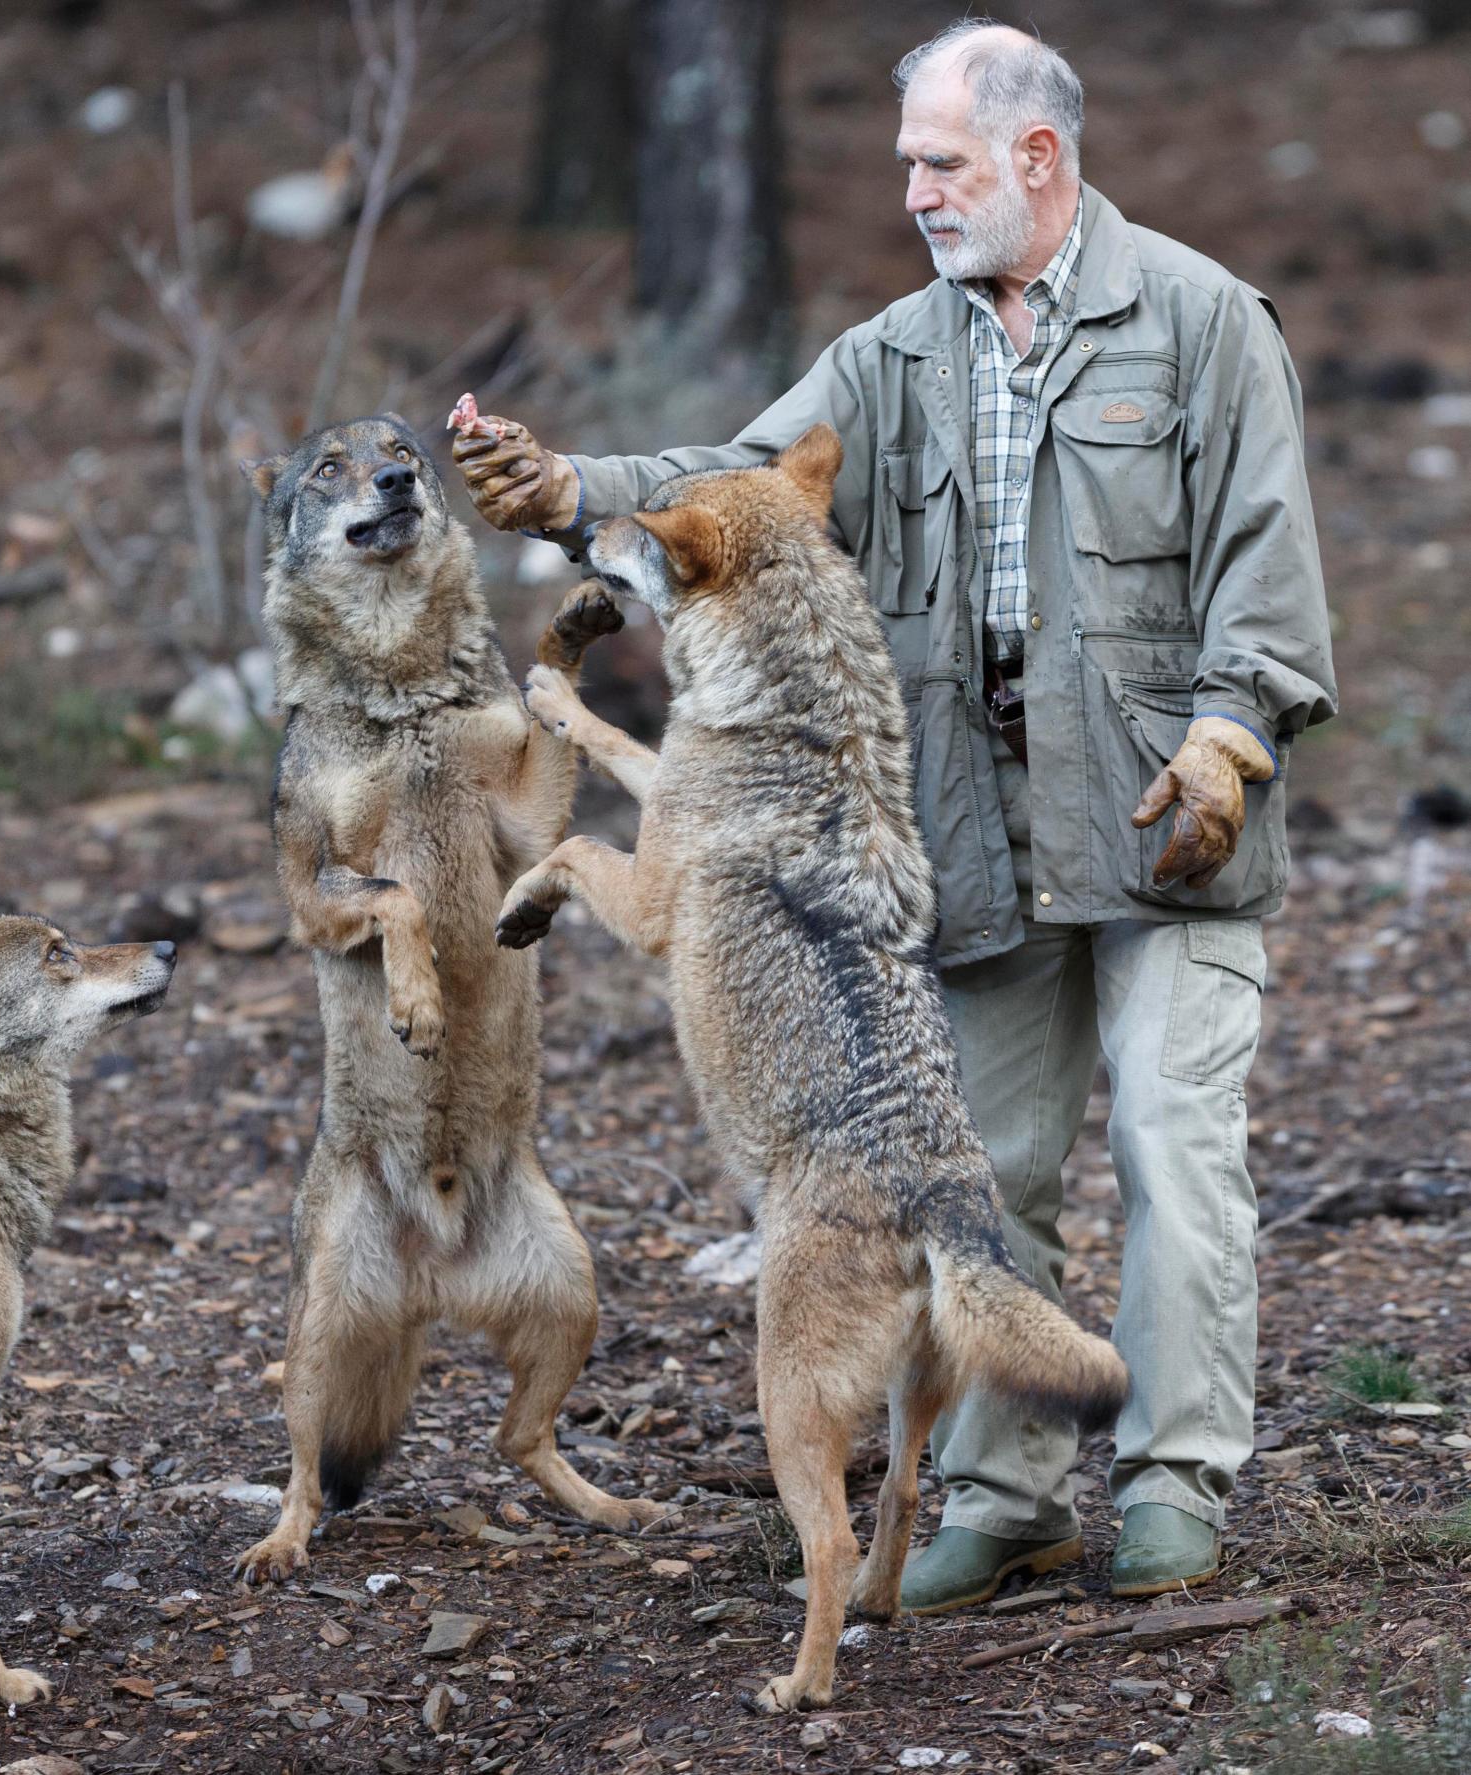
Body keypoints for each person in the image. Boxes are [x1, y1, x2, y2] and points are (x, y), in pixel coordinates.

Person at [453, 19, 1336, 1610]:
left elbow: (1266, 567)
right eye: (906, 165)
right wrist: (573, 490)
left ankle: (1174, 1484)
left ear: (1036, 159)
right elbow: (733, 478)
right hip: (964, 839)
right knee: (980, 1176)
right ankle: (1004, 1498)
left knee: (1168, 1143)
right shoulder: (895, 349)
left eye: (940, 163)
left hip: (1160, 826)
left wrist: (1227, 738)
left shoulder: (1202, 324)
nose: (915, 192)